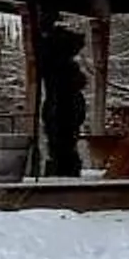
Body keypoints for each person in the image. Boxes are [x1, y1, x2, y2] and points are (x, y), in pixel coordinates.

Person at [35, 15, 87, 179]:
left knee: (62, 140)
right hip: (62, 107)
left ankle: (63, 166)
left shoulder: (60, 65)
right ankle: (63, 166)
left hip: (63, 107)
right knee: (62, 140)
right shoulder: (60, 67)